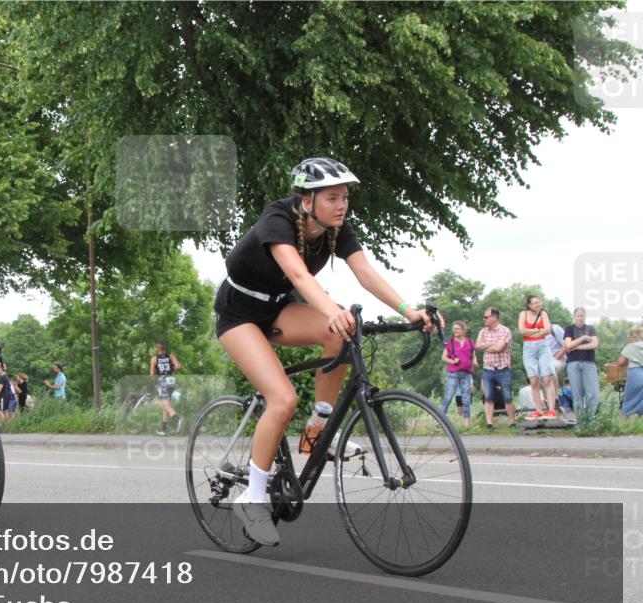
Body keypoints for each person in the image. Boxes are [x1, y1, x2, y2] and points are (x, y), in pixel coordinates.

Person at [213, 157, 437, 547]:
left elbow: (366, 274)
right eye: (332, 197)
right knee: (282, 400)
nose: (342, 205)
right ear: (306, 200)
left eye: (345, 197)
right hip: (239, 315)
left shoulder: (337, 229)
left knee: (343, 335)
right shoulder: (277, 218)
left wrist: (409, 310)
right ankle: (252, 498)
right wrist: (331, 310)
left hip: (278, 308)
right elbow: (298, 274)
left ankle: (317, 432)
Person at [475, 308, 517, 430]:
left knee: (507, 397)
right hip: (487, 369)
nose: (484, 319)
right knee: (488, 397)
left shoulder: (505, 331)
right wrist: (493, 343)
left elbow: (499, 348)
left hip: (503, 369)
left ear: (494, 317)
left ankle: (512, 421)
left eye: (486, 317)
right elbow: (477, 345)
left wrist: (486, 345)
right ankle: (489, 423)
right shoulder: (483, 331)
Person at [517, 295, 557, 420]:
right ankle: (538, 410)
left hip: (543, 346)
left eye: (539, 302)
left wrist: (533, 331)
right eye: (534, 303)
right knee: (534, 381)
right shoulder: (523, 314)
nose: (537, 305)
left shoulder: (543, 313)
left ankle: (551, 410)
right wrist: (538, 329)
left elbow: (548, 330)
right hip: (528, 348)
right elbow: (522, 331)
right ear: (529, 305)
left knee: (547, 379)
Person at [439, 321, 478, 428]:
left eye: (457, 328)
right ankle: (440, 422)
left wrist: (475, 361)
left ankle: (466, 425)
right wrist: (452, 361)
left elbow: (473, 355)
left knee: (466, 399)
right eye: (454, 328)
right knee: (448, 397)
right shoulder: (450, 342)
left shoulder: (470, 342)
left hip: (466, 373)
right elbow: (444, 357)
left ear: (463, 330)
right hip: (453, 373)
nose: (455, 330)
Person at [564, 308, 601, 416]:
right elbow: (569, 345)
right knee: (577, 394)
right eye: (578, 316)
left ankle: (591, 422)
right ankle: (580, 423)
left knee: (592, 394)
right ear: (574, 316)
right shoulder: (569, 329)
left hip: (589, 363)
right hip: (573, 363)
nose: (580, 318)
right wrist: (584, 337)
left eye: (582, 316)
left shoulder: (591, 328)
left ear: (585, 316)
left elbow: (595, 344)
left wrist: (577, 347)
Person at [150, 342, 183, 436]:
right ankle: (164, 430)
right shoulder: (170, 356)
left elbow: (152, 374)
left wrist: (157, 375)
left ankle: (177, 419)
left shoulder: (154, 359)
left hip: (162, 381)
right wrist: (172, 368)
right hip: (171, 381)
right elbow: (178, 366)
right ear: (164, 349)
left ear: (157, 349)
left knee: (165, 403)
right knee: (165, 406)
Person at [616, 324, 643, 417]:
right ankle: (639, 422)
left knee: (628, 400)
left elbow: (621, 362)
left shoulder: (630, 347)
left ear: (633, 336)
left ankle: (624, 424)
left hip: (635, 375)